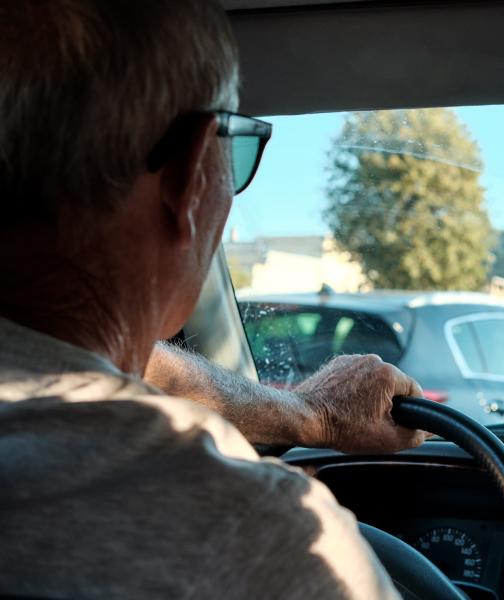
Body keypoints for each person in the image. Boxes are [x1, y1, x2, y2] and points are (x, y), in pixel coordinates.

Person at [0, 1, 422, 597]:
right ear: (191, 174)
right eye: (236, 148)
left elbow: (90, 359)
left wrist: (312, 415)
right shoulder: (255, 535)